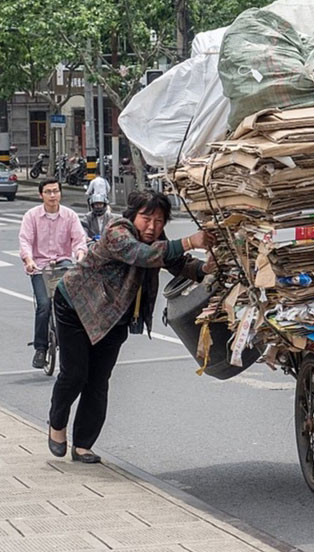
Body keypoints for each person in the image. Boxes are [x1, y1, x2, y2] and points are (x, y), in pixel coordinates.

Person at [47, 189, 217, 463]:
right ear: (132, 215)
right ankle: (57, 424)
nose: (152, 226)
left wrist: (207, 268)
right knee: (75, 374)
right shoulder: (118, 231)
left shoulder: (157, 243)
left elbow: (180, 264)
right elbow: (140, 254)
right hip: (76, 305)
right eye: (146, 218)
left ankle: (82, 445)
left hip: (115, 316)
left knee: (99, 379)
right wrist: (189, 241)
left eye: (159, 220)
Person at [18, 178, 87, 369]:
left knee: (70, 305)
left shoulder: (70, 215)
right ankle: (41, 348)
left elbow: (79, 240)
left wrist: (80, 256)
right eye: (48, 192)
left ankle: (75, 343)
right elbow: (25, 241)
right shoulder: (31, 216)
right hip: (39, 265)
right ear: (41, 195)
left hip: (63, 262)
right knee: (43, 305)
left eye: (55, 191)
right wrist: (29, 261)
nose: (52, 195)